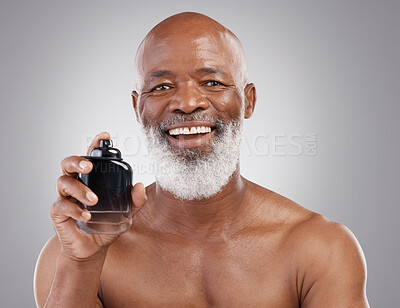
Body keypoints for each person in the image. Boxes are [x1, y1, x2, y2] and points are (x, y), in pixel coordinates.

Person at [34, 12, 369, 307]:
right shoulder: (73, 255)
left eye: (212, 82)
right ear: (138, 108)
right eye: (162, 87)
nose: (188, 102)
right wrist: (80, 265)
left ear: (248, 101)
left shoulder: (320, 249)